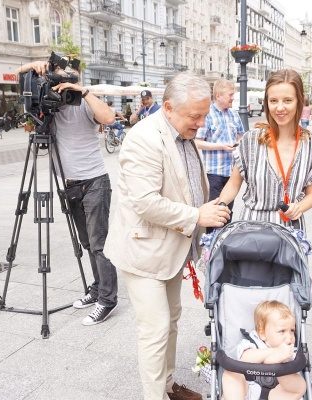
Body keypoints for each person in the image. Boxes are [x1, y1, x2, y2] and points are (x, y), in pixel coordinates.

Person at [105, 72, 231, 400]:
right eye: (195, 116)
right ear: (168, 107)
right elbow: (145, 202)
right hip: (143, 250)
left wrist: (205, 213)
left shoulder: (182, 132)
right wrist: (196, 216)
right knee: (155, 329)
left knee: (171, 319)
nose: (202, 123)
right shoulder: (144, 137)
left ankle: (168, 385)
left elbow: (186, 186)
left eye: (204, 115)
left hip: (173, 247)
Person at [15, 59, 119, 326]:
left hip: (94, 181)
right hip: (70, 184)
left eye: (63, 82)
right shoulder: (49, 106)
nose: (58, 88)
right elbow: (19, 77)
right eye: (54, 81)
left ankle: (107, 300)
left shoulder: (81, 101)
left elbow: (108, 118)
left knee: (99, 244)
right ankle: (96, 290)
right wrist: (33, 66)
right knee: (87, 244)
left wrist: (81, 90)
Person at [218, 69, 312, 233]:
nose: (280, 107)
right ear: (267, 103)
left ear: (299, 101)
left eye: (288, 100)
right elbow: (234, 184)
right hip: (251, 230)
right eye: (274, 100)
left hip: (289, 231)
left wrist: (298, 207)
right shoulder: (251, 140)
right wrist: (220, 205)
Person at [222, 301, 306, 400]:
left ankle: (278, 367)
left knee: (300, 386)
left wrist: (280, 362)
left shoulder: (290, 351)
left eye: (292, 330)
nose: (289, 337)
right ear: (262, 333)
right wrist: (275, 351)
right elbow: (245, 358)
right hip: (250, 391)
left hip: (277, 395)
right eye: (282, 331)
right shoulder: (252, 342)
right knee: (230, 375)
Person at [195, 79, 244, 228]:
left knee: (228, 212)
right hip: (214, 174)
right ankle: (211, 245)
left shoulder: (234, 114)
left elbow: (240, 137)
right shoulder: (208, 114)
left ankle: (223, 244)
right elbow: (197, 141)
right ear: (218, 96)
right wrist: (221, 146)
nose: (233, 97)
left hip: (231, 174)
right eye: (230, 94)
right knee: (215, 213)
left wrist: (238, 145)